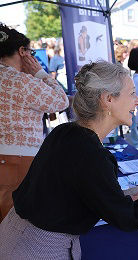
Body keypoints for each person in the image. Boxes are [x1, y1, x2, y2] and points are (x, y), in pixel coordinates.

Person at [0, 61, 138, 259]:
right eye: (131, 93)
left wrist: (122, 195)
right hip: (37, 250)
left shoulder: (64, 132)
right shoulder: (93, 154)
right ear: (107, 100)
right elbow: (129, 219)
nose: (137, 101)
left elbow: (68, 189)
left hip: (14, 234)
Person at [0, 23, 69, 222]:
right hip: (21, 161)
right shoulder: (22, 81)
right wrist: (39, 73)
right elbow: (60, 101)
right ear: (22, 52)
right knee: (17, 226)